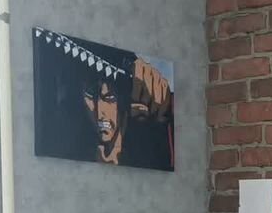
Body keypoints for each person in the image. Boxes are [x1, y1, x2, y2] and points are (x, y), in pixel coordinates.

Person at [32, 27, 175, 171]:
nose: (100, 111)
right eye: (90, 95)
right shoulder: (67, 146)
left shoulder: (149, 149)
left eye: (109, 98)